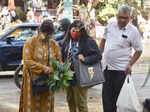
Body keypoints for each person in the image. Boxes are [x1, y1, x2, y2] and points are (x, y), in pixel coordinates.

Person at [99, 5, 143, 112]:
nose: (122, 20)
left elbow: (139, 50)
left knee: (121, 102)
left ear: (130, 18)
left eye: (126, 18)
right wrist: (98, 56)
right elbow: (103, 41)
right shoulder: (110, 25)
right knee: (107, 101)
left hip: (121, 71)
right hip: (107, 69)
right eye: (120, 17)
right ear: (116, 16)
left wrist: (130, 64)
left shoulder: (133, 31)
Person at [19, 20, 62, 112]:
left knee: (46, 105)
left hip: (48, 81)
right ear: (40, 30)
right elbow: (27, 61)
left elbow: (60, 62)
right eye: (44, 33)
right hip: (32, 81)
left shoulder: (54, 44)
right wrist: (43, 68)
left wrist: (53, 69)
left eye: (49, 34)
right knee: (32, 105)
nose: (46, 36)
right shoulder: (30, 42)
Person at [61, 20, 102, 112]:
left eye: (78, 31)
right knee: (70, 100)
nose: (75, 33)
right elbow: (62, 56)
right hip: (67, 76)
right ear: (69, 30)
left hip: (81, 76)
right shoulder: (66, 41)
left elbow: (98, 55)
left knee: (81, 103)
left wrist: (85, 59)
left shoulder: (88, 41)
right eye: (73, 30)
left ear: (82, 31)